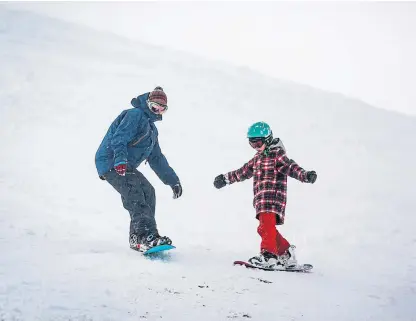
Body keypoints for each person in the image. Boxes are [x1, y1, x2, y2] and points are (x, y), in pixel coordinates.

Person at [213, 121, 317, 269]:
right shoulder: (257, 158)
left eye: (258, 144)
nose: (256, 147)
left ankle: (268, 255)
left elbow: (291, 167)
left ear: (268, 140)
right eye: (252, 144)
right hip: (261, 201)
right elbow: (242, 172)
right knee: (264, 228)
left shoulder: (277, 155)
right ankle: (286, 253)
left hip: (273, 199)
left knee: (266, 226)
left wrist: (306, 175)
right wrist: (225, 179)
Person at [95, 86, 182, 252]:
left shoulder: (152, 131)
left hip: (124, 164)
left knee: (148, 191)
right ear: (147, 103)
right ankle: (144, 235)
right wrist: (120, 159)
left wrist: (173, 181)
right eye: (154, 106)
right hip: (111, 161)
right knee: (134, 192)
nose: (157, 110)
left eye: (162, 109)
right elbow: (119, 137)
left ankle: (143, 236)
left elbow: (156, 158)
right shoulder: (135, 114)